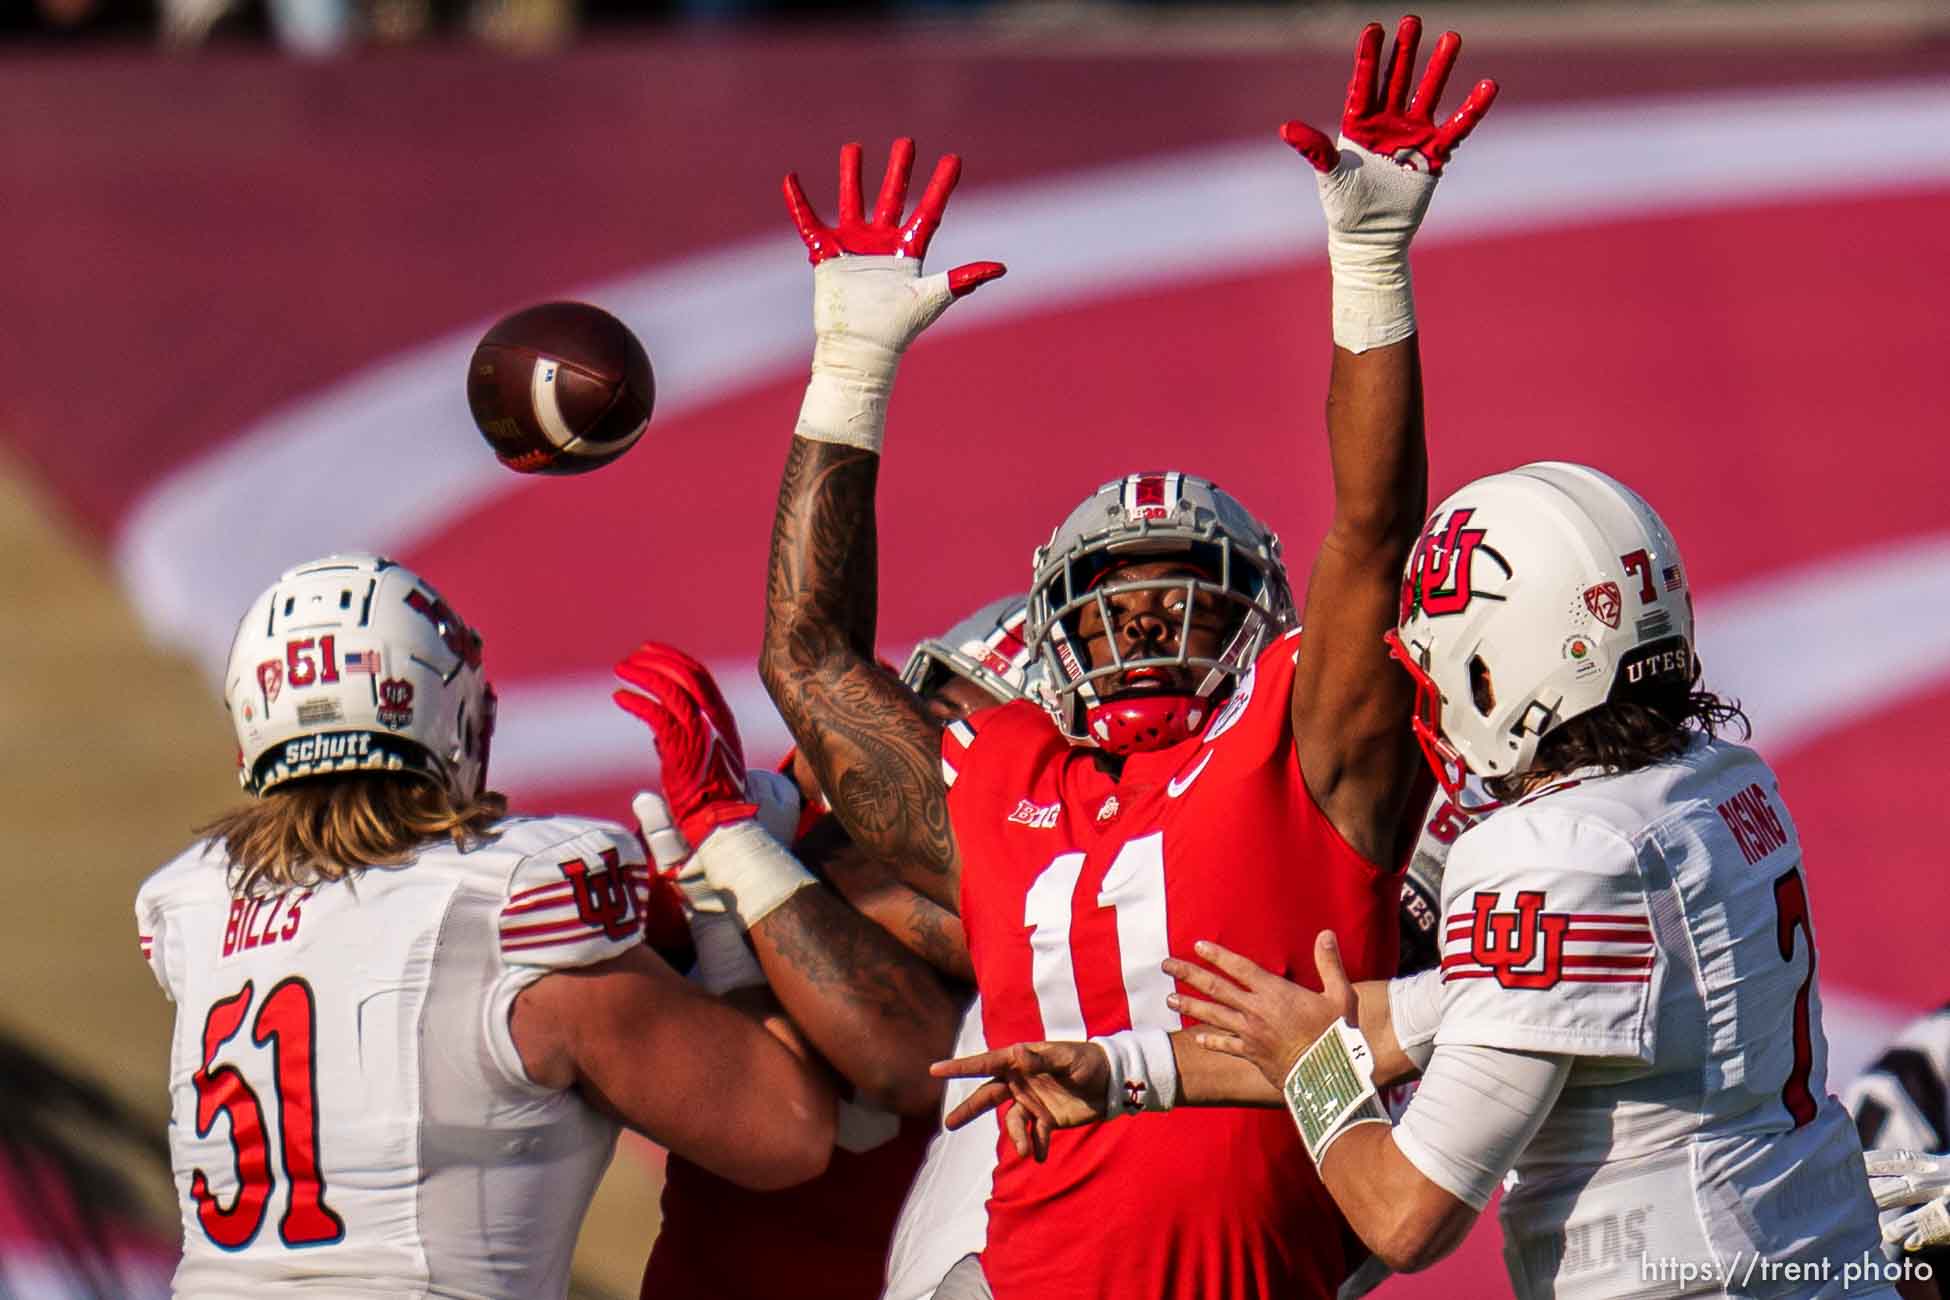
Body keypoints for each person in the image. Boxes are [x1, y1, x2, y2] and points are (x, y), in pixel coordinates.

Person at [758, 16, 1497, 1297]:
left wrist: (1370, 260)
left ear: (1257, 621)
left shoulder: (1303, 755)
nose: (1145, 619)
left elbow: (1376, 533)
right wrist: (851, 367)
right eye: (1111, 596)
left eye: (1179, 596)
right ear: (1049, 629)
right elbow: (811, 661)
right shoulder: (1013, 787)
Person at [943, 464, 1897, 1298]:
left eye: (1438, 663)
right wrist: (1123, 1071)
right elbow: (1453, 1011)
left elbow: (1404, 1215)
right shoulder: (1714, 780)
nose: (1430, 696)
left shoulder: (1546, 852)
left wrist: (1311, 1070)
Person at [133, 553, 834, 1299]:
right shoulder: (500, 911)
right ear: (454, 716)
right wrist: (726, 908)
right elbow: (785, 1128)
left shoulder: (199, 908)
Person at [613, 597, 1034, 1300]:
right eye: (926, 715)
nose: (921, 752)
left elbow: (906, 1061)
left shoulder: (1028, 908)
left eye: (965, 742)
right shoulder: (800, 821)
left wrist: (734, 844)